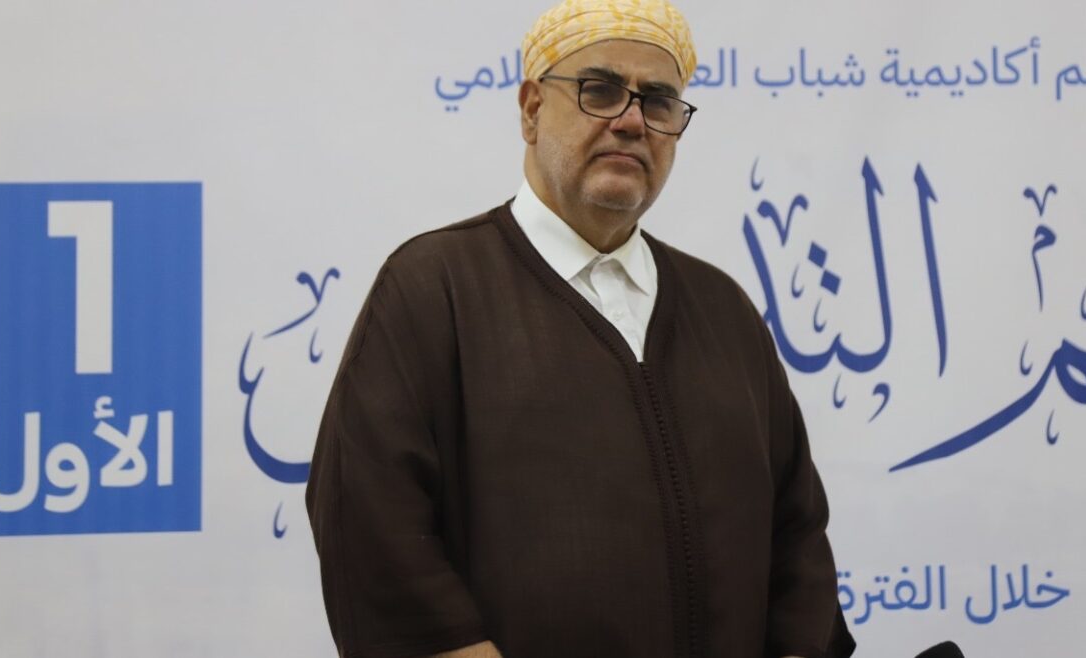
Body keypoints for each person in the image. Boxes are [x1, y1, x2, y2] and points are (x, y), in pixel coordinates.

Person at [305, 1, 855, 656]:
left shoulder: (725, 311)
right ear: (532, 109)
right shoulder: (433, 289)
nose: (631, 121)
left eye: (658, 101)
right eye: (600, 90)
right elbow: (372, 525)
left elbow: (798, 537)